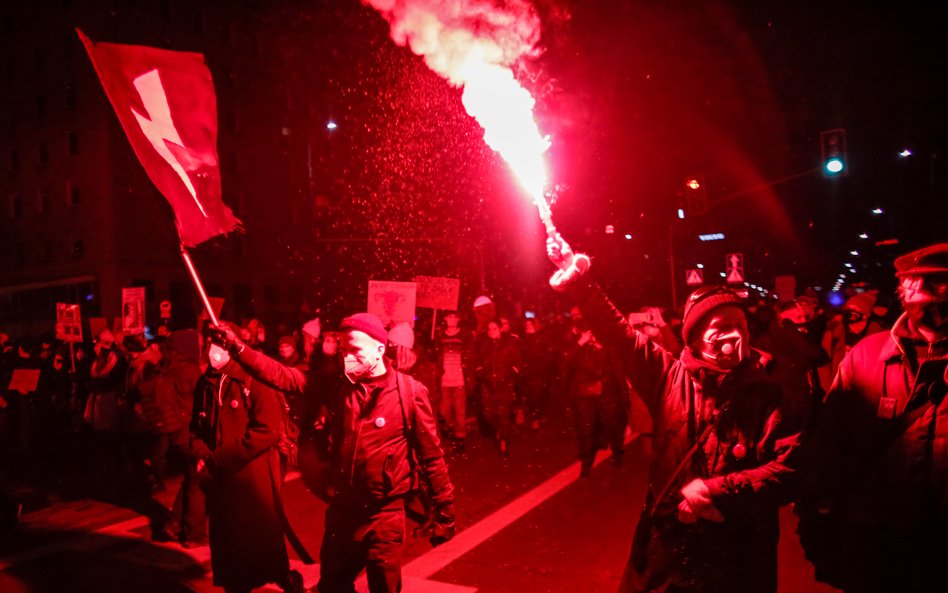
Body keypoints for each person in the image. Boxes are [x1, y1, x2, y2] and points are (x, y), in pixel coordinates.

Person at [547, 233, 800, 593]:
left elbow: (789, 470)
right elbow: (617, 332)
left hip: (739, 558)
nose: (733, 340)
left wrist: (716, 491)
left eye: (739, 328)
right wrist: (578, 277)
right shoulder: (667, 375)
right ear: (695, 337)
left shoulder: (772, 389)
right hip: (669, 552)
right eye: (720, 330)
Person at [211, 312, 456, 593]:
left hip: (385, 516)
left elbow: (431, 456)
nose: (346, 357)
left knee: (384, 588)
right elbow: (282, 375)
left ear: (380, 348)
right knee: (332, 587)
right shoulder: (337, 386)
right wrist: (238, 348)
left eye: (354, 349)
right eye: (342, 349)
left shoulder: (410, 393)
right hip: (344, 511)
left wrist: (445, 513)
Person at [797, 243, 948, 593]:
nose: (928, 298)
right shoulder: (866, 357)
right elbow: (828, 449)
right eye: (918, 286)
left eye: (936, 286)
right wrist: (815, 528)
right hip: (878, 551)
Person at [189, 326, 302, 593]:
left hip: (252, 475)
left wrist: (218, 459)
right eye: (210, 345)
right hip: (221, 477)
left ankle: (286, 579)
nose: (214, 352)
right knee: (230, 550)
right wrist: (201, 453)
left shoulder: (255, 379)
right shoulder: (205, 382)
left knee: (259, 541)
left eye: (220, 345)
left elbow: (267, 431)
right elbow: (197, 426)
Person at [473, 319, 522, 457]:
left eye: (494, 328)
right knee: (488, 414)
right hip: (487, 385)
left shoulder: (509, 344)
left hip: (505, 385)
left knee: (503, 414)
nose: (491, 331)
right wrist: (481, 374)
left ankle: (504, 441)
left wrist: (509, 375)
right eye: (489, 329)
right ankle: (499, 429)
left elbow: (518, 363)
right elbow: (478, 363)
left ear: (500, 329)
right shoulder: (484, 345)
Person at [434, 311, 475, 449]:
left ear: (458, 319)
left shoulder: (465, 335)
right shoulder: (439, 335)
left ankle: (460, 437)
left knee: (460, 410)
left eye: (454, 317)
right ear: (445, 319)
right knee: (444, 410)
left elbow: (470, 356)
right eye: (449, 317)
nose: (452, 320)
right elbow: (435, 355)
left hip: (460, 380)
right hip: (444, 379)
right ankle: (453, 427)